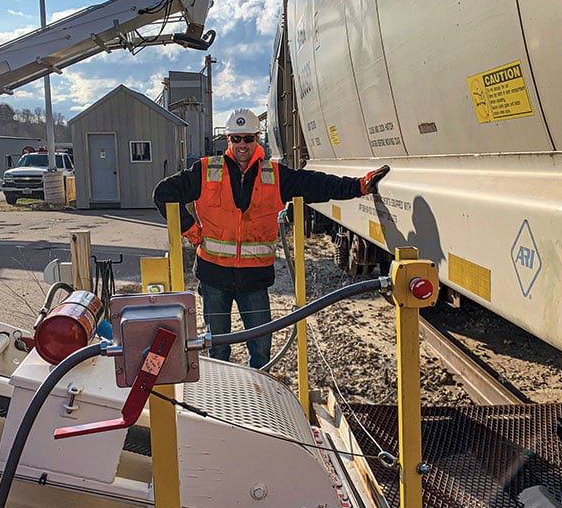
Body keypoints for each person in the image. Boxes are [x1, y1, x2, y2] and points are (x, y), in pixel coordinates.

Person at [153, 108, 390, 369]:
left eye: (248, 139)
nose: (242, 145)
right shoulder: (207, 170)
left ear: (257, 138)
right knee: (216, 350)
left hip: (254, 280)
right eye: (236, 139)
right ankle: (219, 403)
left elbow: (316, 184)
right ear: (228, 141)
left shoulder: (274, 175)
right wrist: (190, 230)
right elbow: (163, 193)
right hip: (214, 278)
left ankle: (259, 399)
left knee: (261, 350)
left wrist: (357, 187)